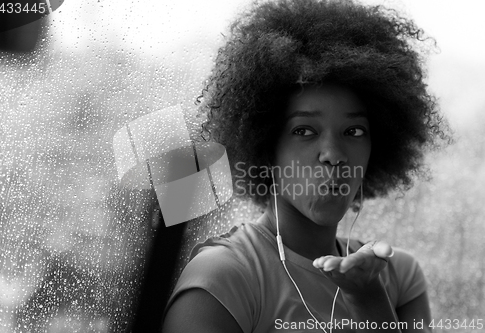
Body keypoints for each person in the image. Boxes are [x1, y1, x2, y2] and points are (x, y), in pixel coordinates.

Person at [162, 0, 450, 332]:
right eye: (304, 131)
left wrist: (370, 300)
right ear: (267, 146)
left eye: (354, 131)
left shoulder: (398, 276)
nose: (333, 154)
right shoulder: (223, 279)